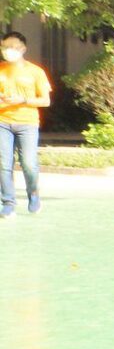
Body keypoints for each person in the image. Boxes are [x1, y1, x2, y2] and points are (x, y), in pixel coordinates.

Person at [0, 31, 51, 218]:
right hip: (2, 122)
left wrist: (22, 100)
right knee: (3, 164)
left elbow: (45, 101)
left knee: (29, 163)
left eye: (12, 47)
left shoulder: (35, 72)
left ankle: (34, 194)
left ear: (23, 48)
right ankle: (8, 203)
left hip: (27, 123)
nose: (8, 50)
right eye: (5, 47)